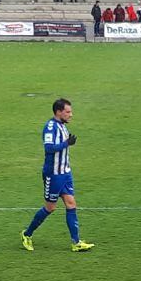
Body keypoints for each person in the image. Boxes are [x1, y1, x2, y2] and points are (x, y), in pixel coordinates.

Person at [21, 98, 94, 253]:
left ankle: (76, 242)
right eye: (68, 112)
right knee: (50, 207)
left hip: (65, 173)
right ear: (58, 112)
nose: (71, 115)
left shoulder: (62, 126)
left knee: (71, 203)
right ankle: (27, 234)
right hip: (53, 174)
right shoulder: (50, 127)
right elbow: (49, 148)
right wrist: (66, 144)